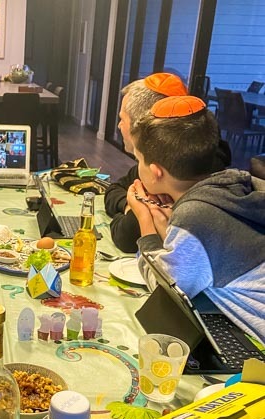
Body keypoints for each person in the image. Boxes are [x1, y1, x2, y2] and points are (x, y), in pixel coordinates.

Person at [127, 95, 265, 343]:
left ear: (156, 172)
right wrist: (169, 230)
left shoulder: (197, 216)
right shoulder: (234, 183)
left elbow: (167, 296)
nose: (138, 164)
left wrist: (145, 223)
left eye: (139, 159)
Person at [105, 73, 231, 253]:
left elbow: (125, 237)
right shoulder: (171, 163)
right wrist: (129, 206)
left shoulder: (181, 177)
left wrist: (141, 215)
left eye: (122, 119)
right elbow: (113, 189)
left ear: (144, 125)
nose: (119, 126)